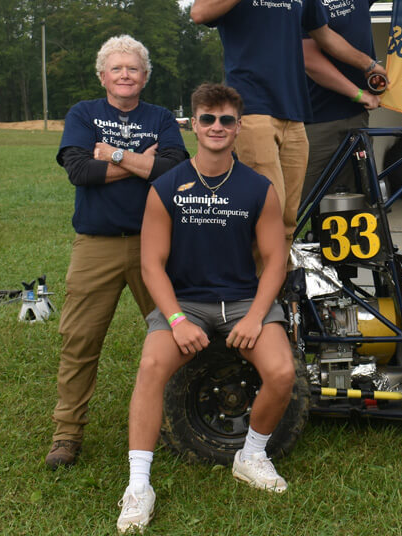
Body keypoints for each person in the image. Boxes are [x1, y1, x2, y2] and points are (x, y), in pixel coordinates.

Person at [116, 83, 293, 532]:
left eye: (226, 120)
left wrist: (255, 316)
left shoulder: (258, 188)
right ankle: (139, 486)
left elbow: (276, 260)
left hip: (242, 300)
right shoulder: (166, 186)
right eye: (208, 119)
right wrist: (175, 319)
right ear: (192, 124)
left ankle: (251, 455)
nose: (217, 127)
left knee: (282, 373)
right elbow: (151, 264)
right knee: (152, 365)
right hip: (188, 303)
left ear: (238, 127)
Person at [191, 0, 386, 250]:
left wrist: (369, 64)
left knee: (287, 220)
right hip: (253, 112)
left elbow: (324, 37)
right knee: (267, 212)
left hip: (297, 118)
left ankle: (280, 298)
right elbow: (200, 12)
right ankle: (251, 298)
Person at [45, 35, 189, 470]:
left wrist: (115, 153)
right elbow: (79, 171)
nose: (125, 75)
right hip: (97, 244)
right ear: (102, 76)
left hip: (158, 245)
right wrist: (139, 164)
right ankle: (67, 433)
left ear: (145, 77)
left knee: (178, 336)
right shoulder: (83, 114)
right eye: (117, 68)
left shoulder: (161, 117)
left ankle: (177, 425)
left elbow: (174, 170)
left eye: (134, 68)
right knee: (80, 340)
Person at [300, 0, 402, 202]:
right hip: (318, 121)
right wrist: (359, 92)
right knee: (302, 204)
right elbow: (310, 60)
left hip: (358, 118)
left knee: (354, 201)